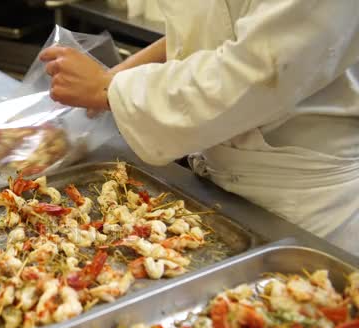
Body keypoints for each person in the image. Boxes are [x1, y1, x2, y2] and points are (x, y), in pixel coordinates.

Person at [39, 0, 359, 256]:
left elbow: (256, 74)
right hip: (225, 190)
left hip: (308, 208)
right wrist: (120, 75)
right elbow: (217, 29)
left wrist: (109, 89)